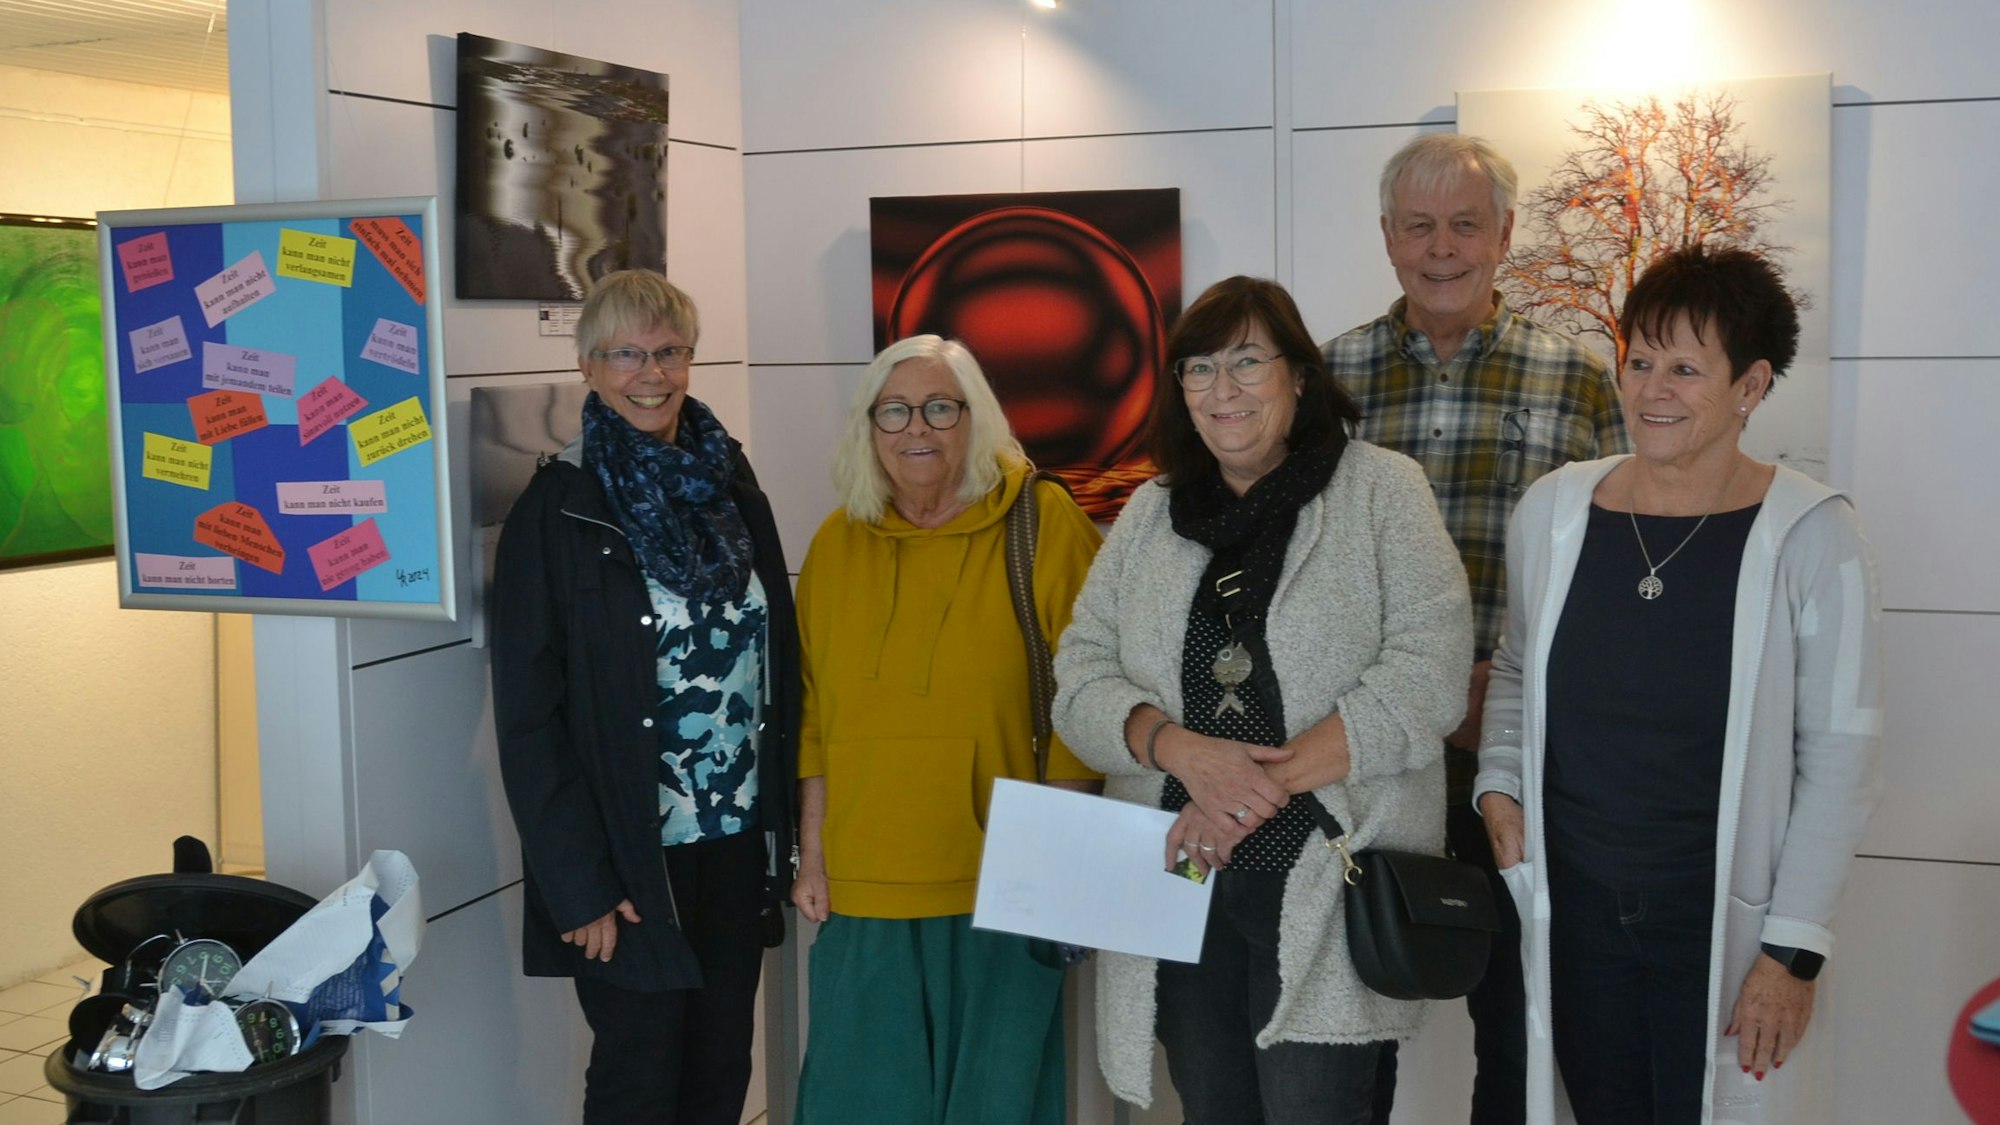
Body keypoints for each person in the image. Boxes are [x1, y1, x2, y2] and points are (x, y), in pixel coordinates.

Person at [1474, 244, 1883, 1125]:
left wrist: (1791, 954)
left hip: (1725, 919)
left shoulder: (1813, 533)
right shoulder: (1553, 510)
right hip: (1575, 905)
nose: (1653, 388)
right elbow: (1513, 668)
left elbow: (1843, 758)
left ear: (1751, 386)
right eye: (1641, 361)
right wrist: (1498, 786)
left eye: (1688, 368)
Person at [1054, 276, 1473, 1125]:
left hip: (1326, 875)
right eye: (1199, 368)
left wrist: (1248, 793)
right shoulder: (1151, 511)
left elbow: (1428, 674)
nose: (1224, 389)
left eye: (1248, 361)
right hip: (1181, 878)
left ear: (1300, 377)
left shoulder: (1381, 491)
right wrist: (1178, 750)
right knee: (1211, 1109)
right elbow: (1080, 677)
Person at [1321, 132, 1630, 1125]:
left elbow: (1619, 579)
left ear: (1502, 234)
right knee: (1348, 1032)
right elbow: (1296, 581)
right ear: (1384, 238)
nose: (1440, 247)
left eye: (1463, 224)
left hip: (1521, 777)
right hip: (1362, 774)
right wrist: (1409, 699)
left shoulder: (1577, 380)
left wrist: (1497, 702)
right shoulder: (1324, 385)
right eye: (1418, 226)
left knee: (1522, 1037)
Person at [491, 270, 798, 1125]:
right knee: (638, 1072)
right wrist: (577, 884)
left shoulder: (732, 487)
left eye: (668, 351)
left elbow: (779, 660)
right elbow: (527, 720)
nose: (650, 373)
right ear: (589, 367)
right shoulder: (557, 511)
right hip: (627, 858)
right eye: (627, 353)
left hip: (734, 841)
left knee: (718, 1067)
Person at [788, 334, 1103, 1124]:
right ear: (869, 426)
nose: (915, 428)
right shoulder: (835, 544)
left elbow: (1084, 700)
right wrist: (815, 854)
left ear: (977, 418)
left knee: (998, 1105)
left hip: (1001, 881)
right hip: (863, 888)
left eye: (938, 407)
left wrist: (1059, 869)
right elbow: (815, 714)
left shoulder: (1045, 524)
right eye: (892, 410)